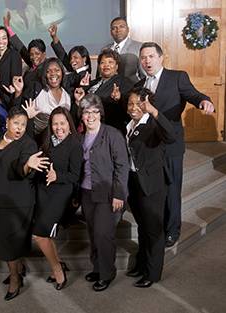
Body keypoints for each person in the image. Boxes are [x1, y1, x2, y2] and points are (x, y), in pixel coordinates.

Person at [136, 42, 215, 247]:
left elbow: (193, 94)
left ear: (161, 58)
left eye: (151, 56)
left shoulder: (177, 77)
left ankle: (172, 230)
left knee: (172, 188)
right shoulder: (141, 84)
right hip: (151, 145)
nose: (147, 61)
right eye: (143, 57)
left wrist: (203, 101)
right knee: (157, 188)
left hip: (171, 143)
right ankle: (158, 226)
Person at [0, 106, 49, 301]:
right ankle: (19, 269)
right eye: (16, 123)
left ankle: (15, 278)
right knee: (6, 240)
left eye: (23, 124)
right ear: (7, 123)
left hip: (17, 201)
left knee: (10, 243)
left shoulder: (28, 144)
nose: (20, 127)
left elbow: (22, 167)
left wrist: (27, 166)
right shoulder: (0, 138)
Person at [125, 87, 175, 288]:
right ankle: (142, 264)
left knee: (153, 230)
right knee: (143, 227)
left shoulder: (154, 124)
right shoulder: (129, 125)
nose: (134, 107)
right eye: (130, 103)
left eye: (139, 103)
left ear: (148, 104)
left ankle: (152, 273)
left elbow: (171, 136)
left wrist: (154, 112)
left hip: (152, 185)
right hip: (134, 182)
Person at [78, 94, 129, 292]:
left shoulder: (112, 134)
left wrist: (119, 194)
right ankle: (98, 268)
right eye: (86, 112)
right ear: (81, 115)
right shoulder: (81, 137)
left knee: (103, 234)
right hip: (86, 192)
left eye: (94, 111)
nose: (90, 116)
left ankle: (107, 272)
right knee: (93, 233)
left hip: (107, 194)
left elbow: (122, 166)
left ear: (100, 113)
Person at [32, 107, 83, 290]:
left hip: (61, 193)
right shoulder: (47, 141)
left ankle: (57, 270)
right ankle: (59, 263)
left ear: (69, 124)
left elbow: (75, 175)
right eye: (55, 123)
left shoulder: (75, 145)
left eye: (62, 123)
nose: (58, 127)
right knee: (47, 234)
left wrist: (57, 176)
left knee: (40, 235)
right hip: (43, 192)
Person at [74, 49, 133, 133]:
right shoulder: (93, 82)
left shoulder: (124, 82)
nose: (106, 65)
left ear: (117, 66)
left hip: (109, 129)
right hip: (87, 127)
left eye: (110, 62)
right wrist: (83, 87)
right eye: (102, 63)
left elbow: (129, 109)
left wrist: (119, 99)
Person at [16, 57, 72, 140]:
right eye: (48, 71)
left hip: (58, 139)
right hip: (35, 138)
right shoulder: (36, 90)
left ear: (62, 73)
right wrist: (18, 93)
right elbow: (18, 112)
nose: (53, 74)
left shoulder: (67, 96)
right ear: (44, 74)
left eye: (57, 70)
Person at [48, 23, 92, 95]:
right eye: (71, 58)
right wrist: (54, 36)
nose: (72, 61)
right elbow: (62, 55)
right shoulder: (75, 71)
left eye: (75, 58)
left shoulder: (84, 76)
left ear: (84, 59)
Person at [101, 17, 143, 83]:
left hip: (131, 88)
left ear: (128, 29)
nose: (118, 30)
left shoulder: (139, 47)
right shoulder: (105, 49)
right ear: (111, 32)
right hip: (108, 89)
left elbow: (144, 76)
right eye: (114, 28)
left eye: (121, 27)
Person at [0, 26, 22, 94]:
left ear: (8, 39)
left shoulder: (14, 55)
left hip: (8, 94)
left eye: (4, 38)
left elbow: (16, 77)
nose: (1, 41)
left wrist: (14, 90)